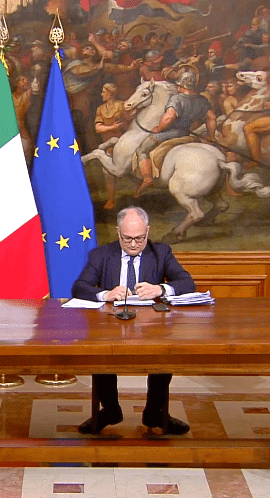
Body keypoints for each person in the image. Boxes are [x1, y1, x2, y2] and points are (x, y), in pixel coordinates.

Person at [71, 206, 196, 435]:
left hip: (152, 327)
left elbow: (187, 283)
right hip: (111, 325)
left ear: (147, 231)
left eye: (139, 238)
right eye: (127, 238)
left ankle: (154, 412)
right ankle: (110, 410)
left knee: (164, 353)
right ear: (118, 233)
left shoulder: (161, 252)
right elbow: (79, 287)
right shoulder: (101, 254)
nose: (133, 244)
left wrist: (160, 288)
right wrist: (105, 294)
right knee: (100, 352)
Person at [132, 71, 217, 197]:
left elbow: (169, 117)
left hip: (170, 133)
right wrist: (211, 135)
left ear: (182, 86)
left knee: (142, 150)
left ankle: (147, 178)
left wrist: (159, 128)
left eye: (179, 85)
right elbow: (212, 117)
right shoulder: (202, 100)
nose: (178, 88)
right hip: (186, 133)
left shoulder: (177, 98)